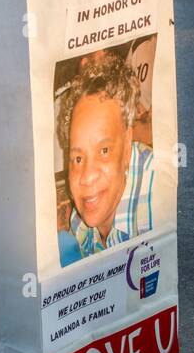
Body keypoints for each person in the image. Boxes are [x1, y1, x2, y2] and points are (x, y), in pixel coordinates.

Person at [56, 51, 153, 267]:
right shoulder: (79, 227)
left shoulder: (159, 194)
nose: (87, 178)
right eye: (78, 159)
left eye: (104, 151)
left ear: (127, 145)